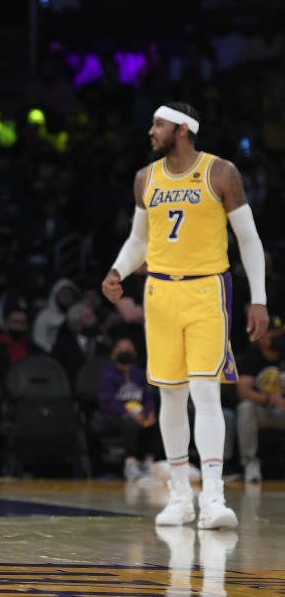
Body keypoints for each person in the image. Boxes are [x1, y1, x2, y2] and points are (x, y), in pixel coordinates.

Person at [102, 102, 268, 529]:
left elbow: (248, 240)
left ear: (183, 130)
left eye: (158, 124)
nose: (150, 131)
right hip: (159, 292)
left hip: (206, 289)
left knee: (205, 392)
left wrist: (259, 298)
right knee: (170, 395)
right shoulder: (146, 178)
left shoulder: (221, 172)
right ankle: (180, 496)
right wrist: (118, 270)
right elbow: (139, 239)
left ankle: (213, 497)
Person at [98, 336, 159, 480]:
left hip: (139, 412)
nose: (125, 351)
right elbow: (108, 402)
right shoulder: (108, 374)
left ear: (135, 352)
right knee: (130, 424)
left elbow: (148, 397)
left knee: (155, 423)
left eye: (129, 348)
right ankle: (130, 463)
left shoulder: (139, 373)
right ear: (113, 354)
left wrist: (149, 412)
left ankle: (148, 463)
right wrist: (129, 413)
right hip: (116, 415)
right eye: (121, 349)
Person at [235, 315, 285, 483]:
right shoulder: (251, 357)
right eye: (274, 334)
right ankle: (250, 463)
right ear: (261, 336)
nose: (279, 338)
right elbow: (243, 392)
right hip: (262, 411)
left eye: (281, 333)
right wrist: (271, 400)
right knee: (245, 408)